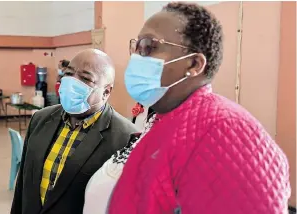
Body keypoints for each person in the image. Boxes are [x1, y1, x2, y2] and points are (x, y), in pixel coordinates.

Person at [108, 2, 290, 213]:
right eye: (137, 47)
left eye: (149, 46)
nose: (137, 58)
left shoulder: (228, 132)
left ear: (194, 64)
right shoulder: (165, 119)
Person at [11, 48, 138, 214]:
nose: (72, 82)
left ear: (106, 91)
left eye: (85, 78)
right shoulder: (40, 119)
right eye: (69, 74)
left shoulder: (126, 138)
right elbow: (22, 185)